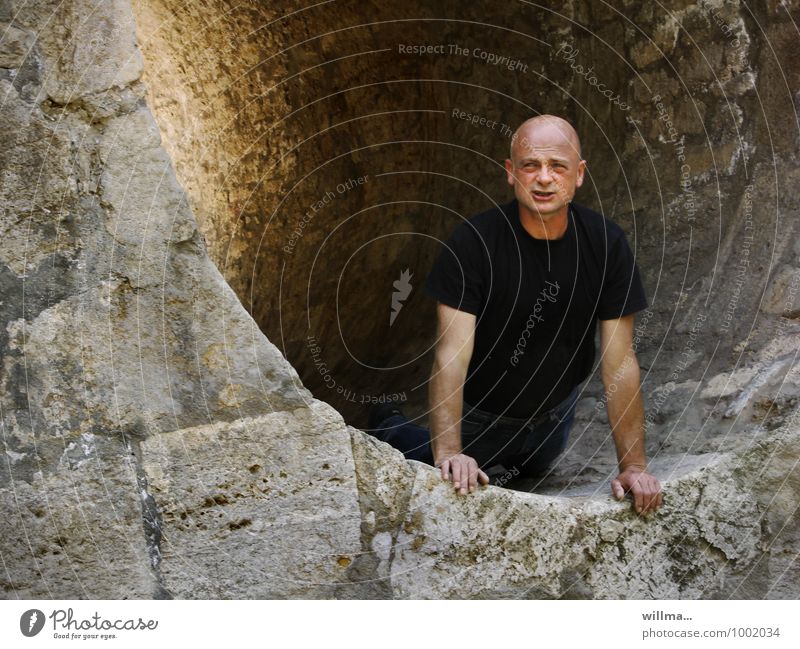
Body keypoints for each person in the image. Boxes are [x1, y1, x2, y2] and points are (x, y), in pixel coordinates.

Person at [368, 115, 662, 515]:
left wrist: (634, 467)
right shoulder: (474, 244)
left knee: (529, 471)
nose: (543, 178)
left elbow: (620, 362)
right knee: (423, 453)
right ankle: (386, 421)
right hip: (482, 423)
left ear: (578, 175)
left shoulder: (606, 244)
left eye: (557, 166)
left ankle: (510, 457)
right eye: (530, 165)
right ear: (511, 173)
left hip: (553, 423)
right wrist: (452, 451)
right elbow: (451, 354)